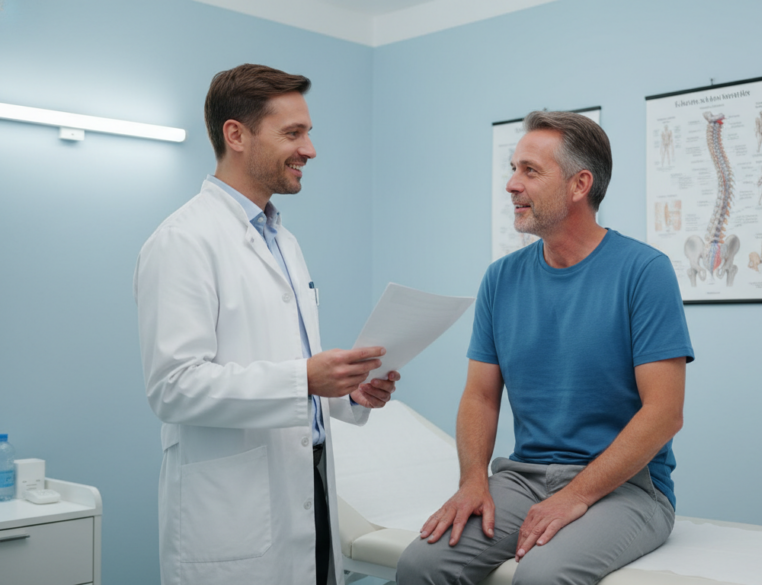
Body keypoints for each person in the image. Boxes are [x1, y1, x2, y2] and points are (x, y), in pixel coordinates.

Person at [396, 111, 694, 585]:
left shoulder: (644, 271)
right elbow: (480, 396)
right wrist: (472, 481)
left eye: (530, 171)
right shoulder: (501, 278)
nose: (511, 185)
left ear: (580, 185)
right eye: (513, 169)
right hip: (521, 478)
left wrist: (577, 493)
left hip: (628, 487)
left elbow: (664, 413)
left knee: (540, 577)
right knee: (419, 566)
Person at [134, 64, 399, 585]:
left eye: (308, 133)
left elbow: (284, 362)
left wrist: (346, 391)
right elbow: (173, 387)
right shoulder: (182, 241)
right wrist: (304, 378)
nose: (310, 149)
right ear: (236, 134)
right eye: (293, 134)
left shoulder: (284, 241)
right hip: (232, 514)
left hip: (310, 485)